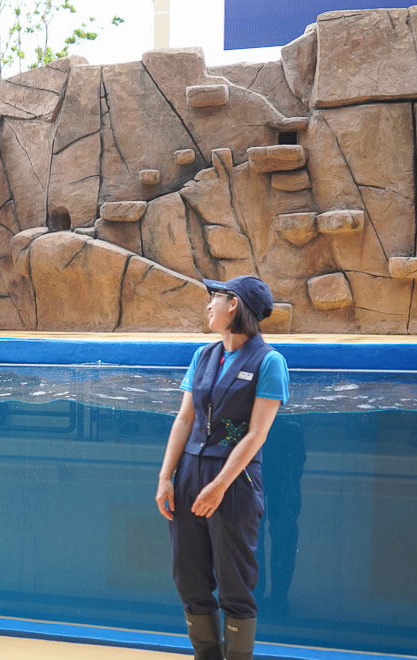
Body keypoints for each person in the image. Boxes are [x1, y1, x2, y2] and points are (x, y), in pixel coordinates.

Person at [155, 276, 290, 660]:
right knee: (189, 579)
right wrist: (166, 477)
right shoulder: (203, 355)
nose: (208, 305)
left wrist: (218, 486)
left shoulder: (269, 361)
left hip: (235, 480)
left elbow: (256, 434)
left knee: (235, 584)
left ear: (234, 304)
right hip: (189, 474)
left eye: (214, 298)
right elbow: (184, 420)